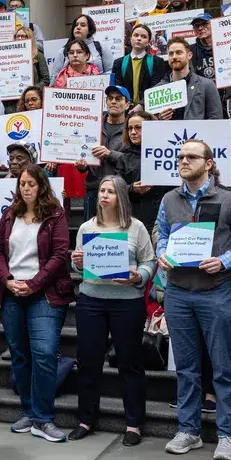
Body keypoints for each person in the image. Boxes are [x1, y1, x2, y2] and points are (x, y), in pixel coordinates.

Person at [156, 140, 231, 460]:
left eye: (191, 156)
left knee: (223, 367)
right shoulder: (169, 199)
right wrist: (162, 254)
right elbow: (160, 234)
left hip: (216, 292)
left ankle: (228, 435)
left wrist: (225, 261)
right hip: (178, 293)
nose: (184, 161)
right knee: (186, 368)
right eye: (180, 156)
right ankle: (188, 430)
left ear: (210, 163)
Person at [68, 175, 154, 442]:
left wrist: (138, 276)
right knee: (88, 361)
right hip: (91, 300)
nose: (104, 195)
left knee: (130, 363)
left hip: (127, 302)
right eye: (102, 190)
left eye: (111, 191)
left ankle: (133, 424)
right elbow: (78, 267)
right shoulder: (86, 228)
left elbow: (150, 262)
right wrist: (77, 262)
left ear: (121, 198)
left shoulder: (136, 228)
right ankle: (86, 419)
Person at [0, 164, 74, 442]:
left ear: (42, 186)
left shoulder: (55, 215)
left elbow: (60, 254)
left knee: (44, 353)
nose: (25, 188)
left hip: (45, 294)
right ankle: (28, 411)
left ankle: (43, 418)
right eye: (22, 184)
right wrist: (6, 280)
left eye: (31, 183)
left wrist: (34, 284)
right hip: (12, 293)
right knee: (20, 355)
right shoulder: (9, 214)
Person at [75, 84, 130, 217]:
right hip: (93, 189)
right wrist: (82, 166)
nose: (113, 102)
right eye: (110, 98)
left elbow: (133, 160)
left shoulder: (131, 128)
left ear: (127, 104)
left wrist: (110, 154)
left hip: (119, 191)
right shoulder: (92, 124)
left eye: (118, 99)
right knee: (91, 232)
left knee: (116, 233)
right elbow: (83, 154)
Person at [111, 113, 167, 232]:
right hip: (133, 218)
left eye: (138, 127)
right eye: (130, 128)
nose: (133, 132)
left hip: (162, 218)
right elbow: (116, 187)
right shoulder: (124, 159)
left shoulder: (166, 155)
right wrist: (132, 188)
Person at [158, 37, 222, 121]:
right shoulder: (160, 88)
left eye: (179, 53)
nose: (174, 57)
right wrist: (159, 118)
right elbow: (151, 123)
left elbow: (216, 119)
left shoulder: (207, 85)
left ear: (189, 55)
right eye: (171, 53)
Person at [111, 24, 168, 107]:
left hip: (149, 108)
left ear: (149, 42)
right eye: (136, 35)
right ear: (130, 38)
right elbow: (118, 88)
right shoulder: (119, 62)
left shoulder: (157, 62)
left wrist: (142, 105)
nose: (139, 38)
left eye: (143, 36)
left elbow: (156, 88)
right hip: (125, 109)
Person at [189, 13, 216, 83]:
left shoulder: (224, 46)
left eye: (204, 24)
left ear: (213, 24)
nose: (200, 28)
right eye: (196, 26)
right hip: (201, 91)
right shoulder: (190, 51)